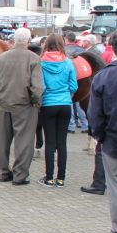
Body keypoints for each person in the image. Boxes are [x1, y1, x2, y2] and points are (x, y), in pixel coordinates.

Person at [0, 27, 44, 185]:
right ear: (28, 41)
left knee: (4, 140)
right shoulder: (33, 58)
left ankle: (4, 172)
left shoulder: (1, 58)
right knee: (24, 141)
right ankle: (20, 175)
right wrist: (35, 102)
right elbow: (37, 87)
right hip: (25, 104)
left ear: (14, 40)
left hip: (5, 103)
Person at [87, 30, 117, 233]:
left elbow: (95, 114)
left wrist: (99, 135)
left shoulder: (105, 76)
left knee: (115, 189)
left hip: (113, 141)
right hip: (111, 139)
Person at [37, 34, 77, 187]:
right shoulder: (68, 63)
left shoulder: (41, 63)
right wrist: (66, 94)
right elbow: (74, 86)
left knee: (50, 143)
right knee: (62, 143)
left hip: (48, 104)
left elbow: (40, 85)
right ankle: (61, 179)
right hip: (65, 104)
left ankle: (49, 177)